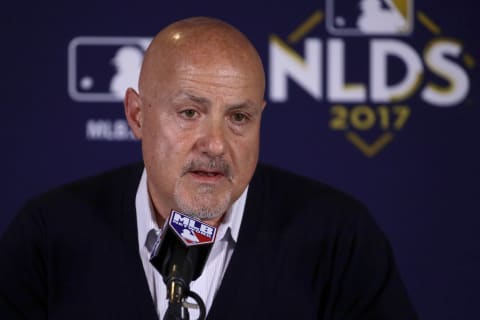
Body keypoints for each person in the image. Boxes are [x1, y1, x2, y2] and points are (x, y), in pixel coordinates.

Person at [0, 17, 418, 319]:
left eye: (239, 118)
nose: (216, 144)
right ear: (137, 114)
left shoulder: (338, 236)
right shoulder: (48, 233)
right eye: (188, 112)